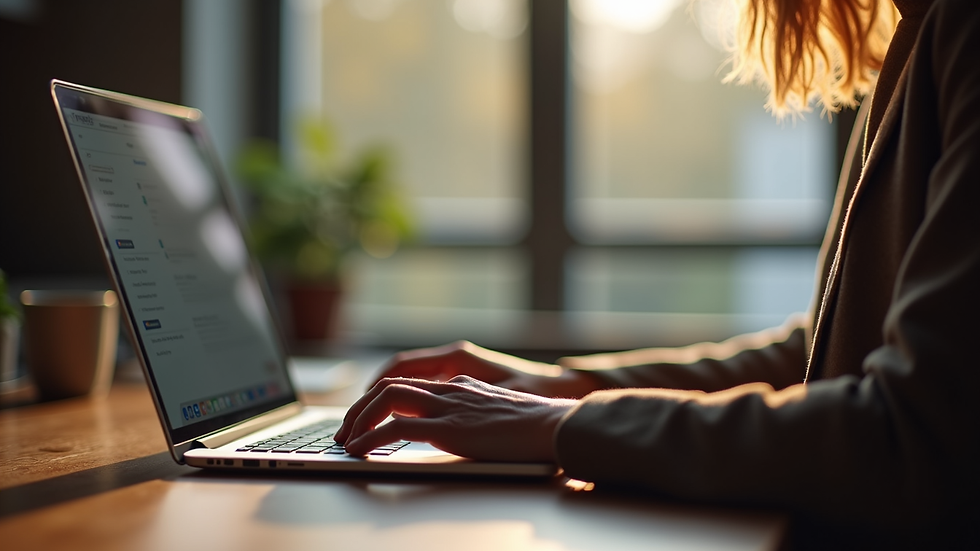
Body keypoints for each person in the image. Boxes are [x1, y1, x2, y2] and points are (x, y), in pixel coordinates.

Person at [336, 0, 980, 537]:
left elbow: (911, 435)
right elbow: (822, 355)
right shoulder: (918, 32)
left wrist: (563, 425)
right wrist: (561, 389)